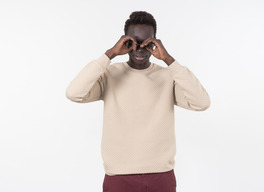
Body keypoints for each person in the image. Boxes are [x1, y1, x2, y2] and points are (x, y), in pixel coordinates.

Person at [66, 11, 210, 192]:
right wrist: (109, 54)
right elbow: (74, 93)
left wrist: (168, 60)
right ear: (124, 41)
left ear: (155, 42)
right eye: (133, 42)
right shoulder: (109, 74)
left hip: (161, 175)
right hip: (118, 177)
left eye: (147, 43)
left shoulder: (168, 76)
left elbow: (201, 102)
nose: (140, 48)